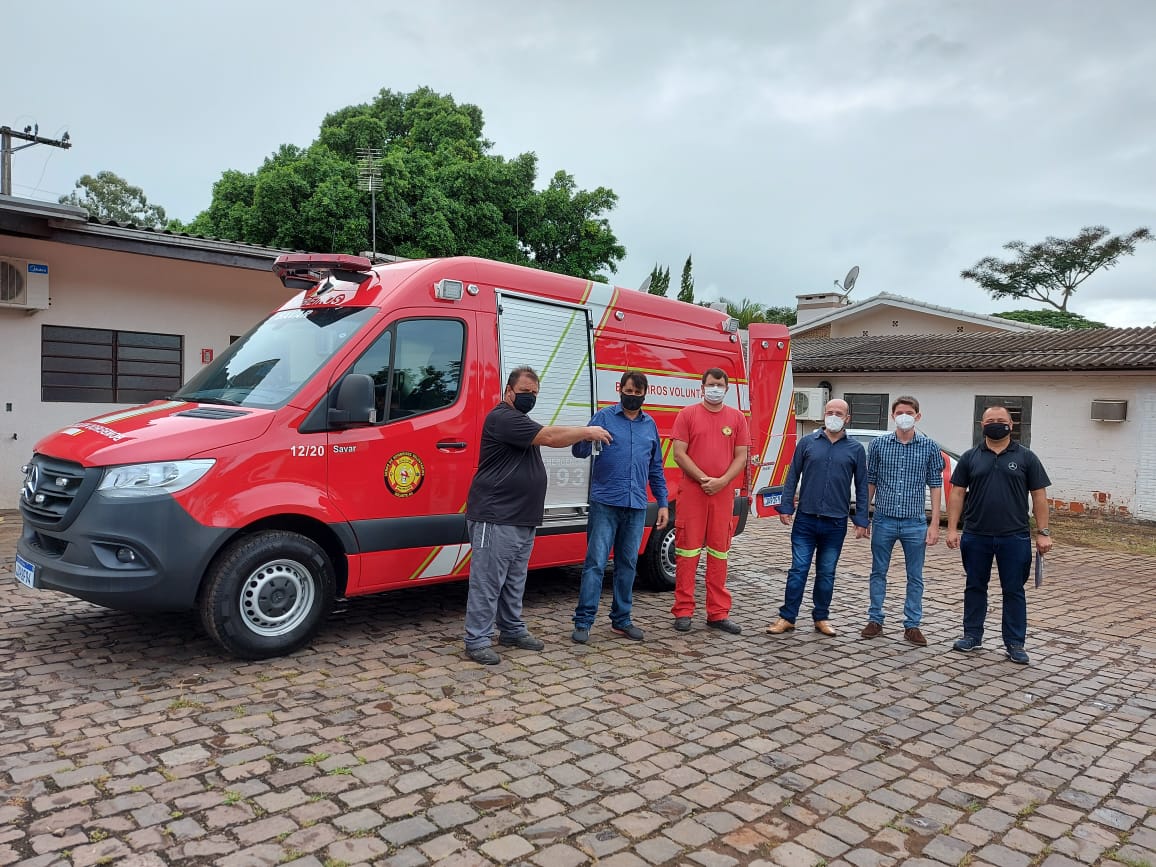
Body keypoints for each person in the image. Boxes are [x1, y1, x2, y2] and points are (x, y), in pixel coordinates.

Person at [463, 367, 612, 666]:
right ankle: (477, 639)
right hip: (496, 517)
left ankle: (512, 630)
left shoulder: (520, 420)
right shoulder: (502, 418)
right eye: (524, 392)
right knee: (488, 582)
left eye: (534, 393)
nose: (529, 397)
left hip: (520, 517)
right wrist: (587, 431)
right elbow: (551, 437)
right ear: (508, 392)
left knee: (515, 581)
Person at [946, 404, 1052, 665]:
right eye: (990, 420)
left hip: (1014, 536)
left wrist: (1044, 532)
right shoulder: (970, 457)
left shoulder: (1027, 458)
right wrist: (951, 528)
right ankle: (972, 635)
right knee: (974, 586)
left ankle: (1015, 643)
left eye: (1001, 419)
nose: (996, 423)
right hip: (976, 534)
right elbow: (957, 493)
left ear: (1011, 425)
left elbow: (1039, 496)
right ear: (982, 425)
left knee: (1014, 590)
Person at [570, 371, 669, 643]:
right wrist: (587, 435)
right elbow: (578, 452)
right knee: (595, 564)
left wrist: (662, 503)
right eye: (629, 391)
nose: (633, 396)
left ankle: (621, 620)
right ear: (620, 390)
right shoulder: (603, 418)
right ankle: (583, 621)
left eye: (638, 393)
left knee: (627, 564)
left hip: (636, 505)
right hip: (605, 503)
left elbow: (656, 468)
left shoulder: (650, 426)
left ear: (644, 394)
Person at [767, 398, 869, 637]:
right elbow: (792, 475)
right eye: (829, 412)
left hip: (835, 522)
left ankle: (821, 618)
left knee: (826, 572)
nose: (833, 416)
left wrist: (862, 519)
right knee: (798, 569)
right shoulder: (807, 443)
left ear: (847, 418)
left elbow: (862, 486)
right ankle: (787, 617)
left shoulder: (855, 450)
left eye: (839, 413)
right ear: (823, 415)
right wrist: (785, 506)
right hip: (806, 519)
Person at [670, 368, 750, 634]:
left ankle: (717, 613)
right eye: (711, 384)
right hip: (693, 492)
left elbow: (741, 455)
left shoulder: (736, 418)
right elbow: (679, 454)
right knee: (687, 552)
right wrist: (705, 479)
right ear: (701, 387)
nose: (715, 388)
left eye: (720, 385)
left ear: (727, 389)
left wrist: (723, 481)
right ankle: (683, 611)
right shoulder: (687, 414)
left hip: (722, 494)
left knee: (719, 552)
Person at [861, 396, 944, 646]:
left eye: (909, 412)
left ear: (918, 416)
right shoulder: (879, 445)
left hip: (914, 522)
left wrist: (934, 523)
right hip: (884, 519)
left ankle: (912, 625)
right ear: (892, 416)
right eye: (899, 412)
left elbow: (935, 485)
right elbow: (871, 480)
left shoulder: (929, 446)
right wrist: (864, 516)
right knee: (878, 572)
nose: (904, 416)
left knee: (915, 576)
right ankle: (875, 619)